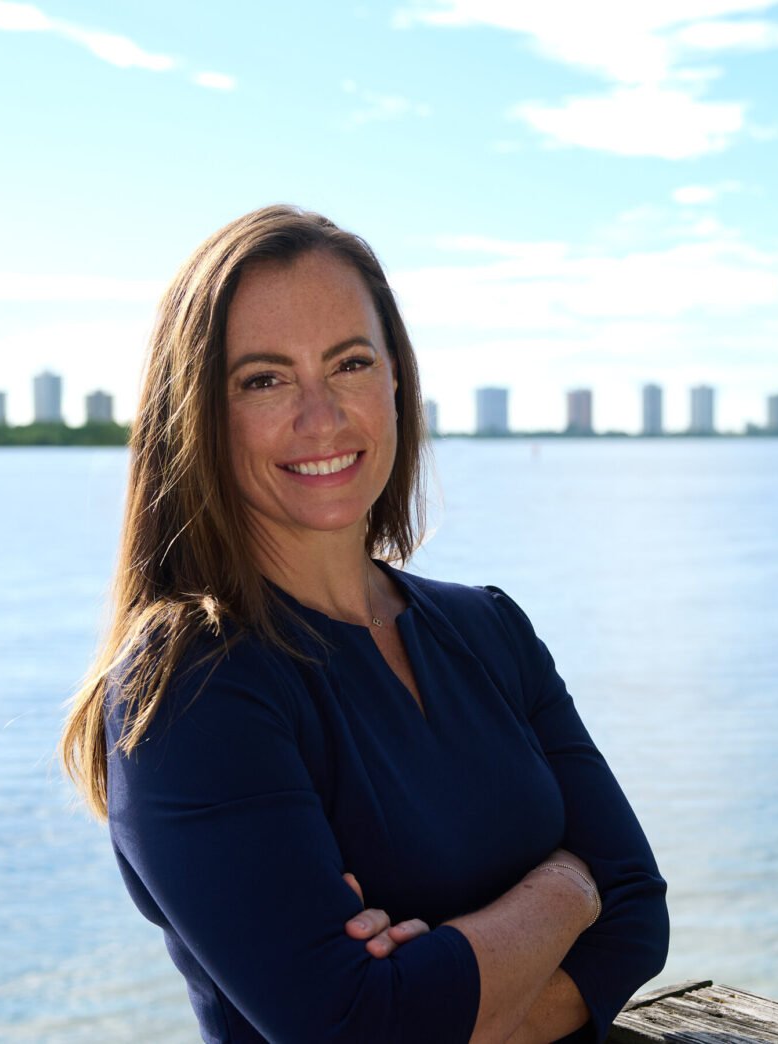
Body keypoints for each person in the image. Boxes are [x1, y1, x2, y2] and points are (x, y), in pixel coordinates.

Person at [60, 204, 668, 1043]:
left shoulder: (491, 629)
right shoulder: (189, 686)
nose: (322, 416)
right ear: (199, 413)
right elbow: (358, 1029)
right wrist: (566, 890)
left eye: (349, 362)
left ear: (395, 381)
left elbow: (637, 908)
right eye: (264, 379)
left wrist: (449, 997)